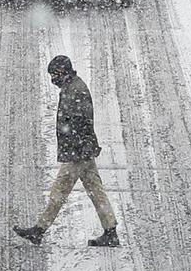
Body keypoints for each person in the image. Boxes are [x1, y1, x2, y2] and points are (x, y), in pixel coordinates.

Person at [14, 55, 119, 248]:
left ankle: (39, 230)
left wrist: (77, 149)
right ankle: (110, 231)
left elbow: (82, 121)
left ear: (63, 71)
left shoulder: (75, 90)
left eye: (54, 74)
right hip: (81, 150)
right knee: (96, 191)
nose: (53, 78)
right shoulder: (71, 87)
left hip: (77, 153)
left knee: (59, 191)